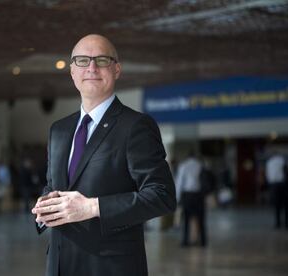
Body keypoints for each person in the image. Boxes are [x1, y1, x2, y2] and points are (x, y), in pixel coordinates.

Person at [31, 34, 176, 276]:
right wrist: (46, 208)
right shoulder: (59, 130)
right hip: (59, 266)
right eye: (82, 61)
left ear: (117, 69)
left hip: (111, 268)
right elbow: (54, 186)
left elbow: (162, 195)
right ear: (72, 72)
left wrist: (92, 207)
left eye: (101, 60)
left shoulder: (135, 126)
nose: (91, 68)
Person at [175, 152, 207, 247]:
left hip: (187, 195)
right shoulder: (200, 165)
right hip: (199, 195)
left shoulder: (184, 166)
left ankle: (185, 241)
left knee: (186, 220)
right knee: (201, 220)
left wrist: (178, 198)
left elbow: (180, 182)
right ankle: (203, 241)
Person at [265, 152, 288, 229]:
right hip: (284, 185)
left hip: (274, 185)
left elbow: (268, 175)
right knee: (286, 205)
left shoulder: (269, 162)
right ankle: (287, 223)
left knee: (277, 205)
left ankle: (277, 223)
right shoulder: (284, 160)